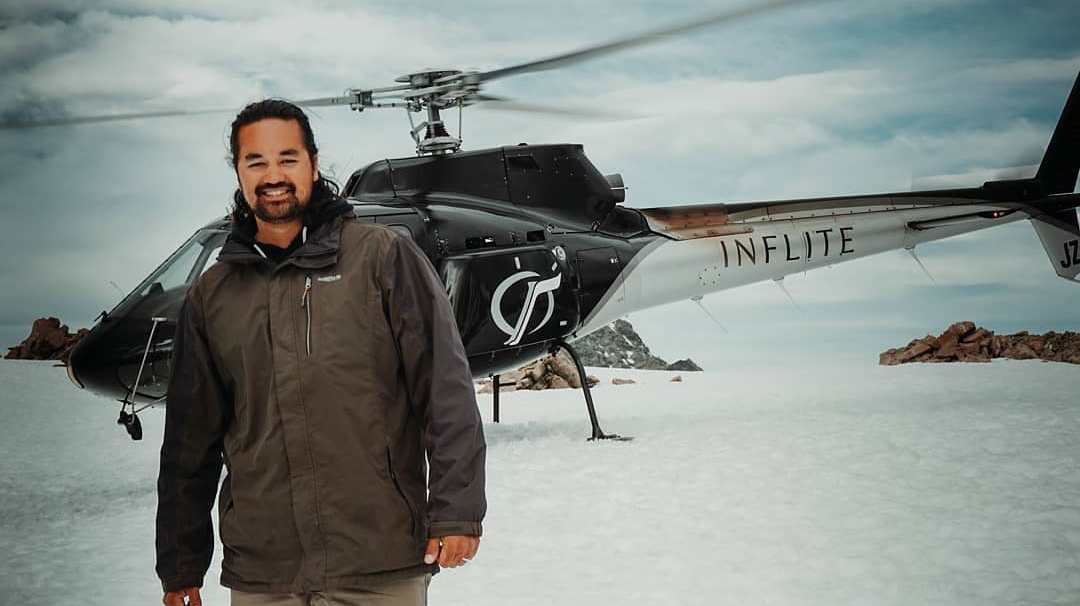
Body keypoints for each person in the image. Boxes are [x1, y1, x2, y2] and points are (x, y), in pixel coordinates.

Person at [156, 99, 486, 606]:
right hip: (264, 572)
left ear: (312, 162)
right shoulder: (213, 294)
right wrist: (181, 563)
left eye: (287, 158)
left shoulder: (382, 257)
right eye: (256, 161)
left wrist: (456, 511)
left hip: (377, 561)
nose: (273, 175)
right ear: (239, 172)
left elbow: (444, 391)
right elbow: (189, 442)